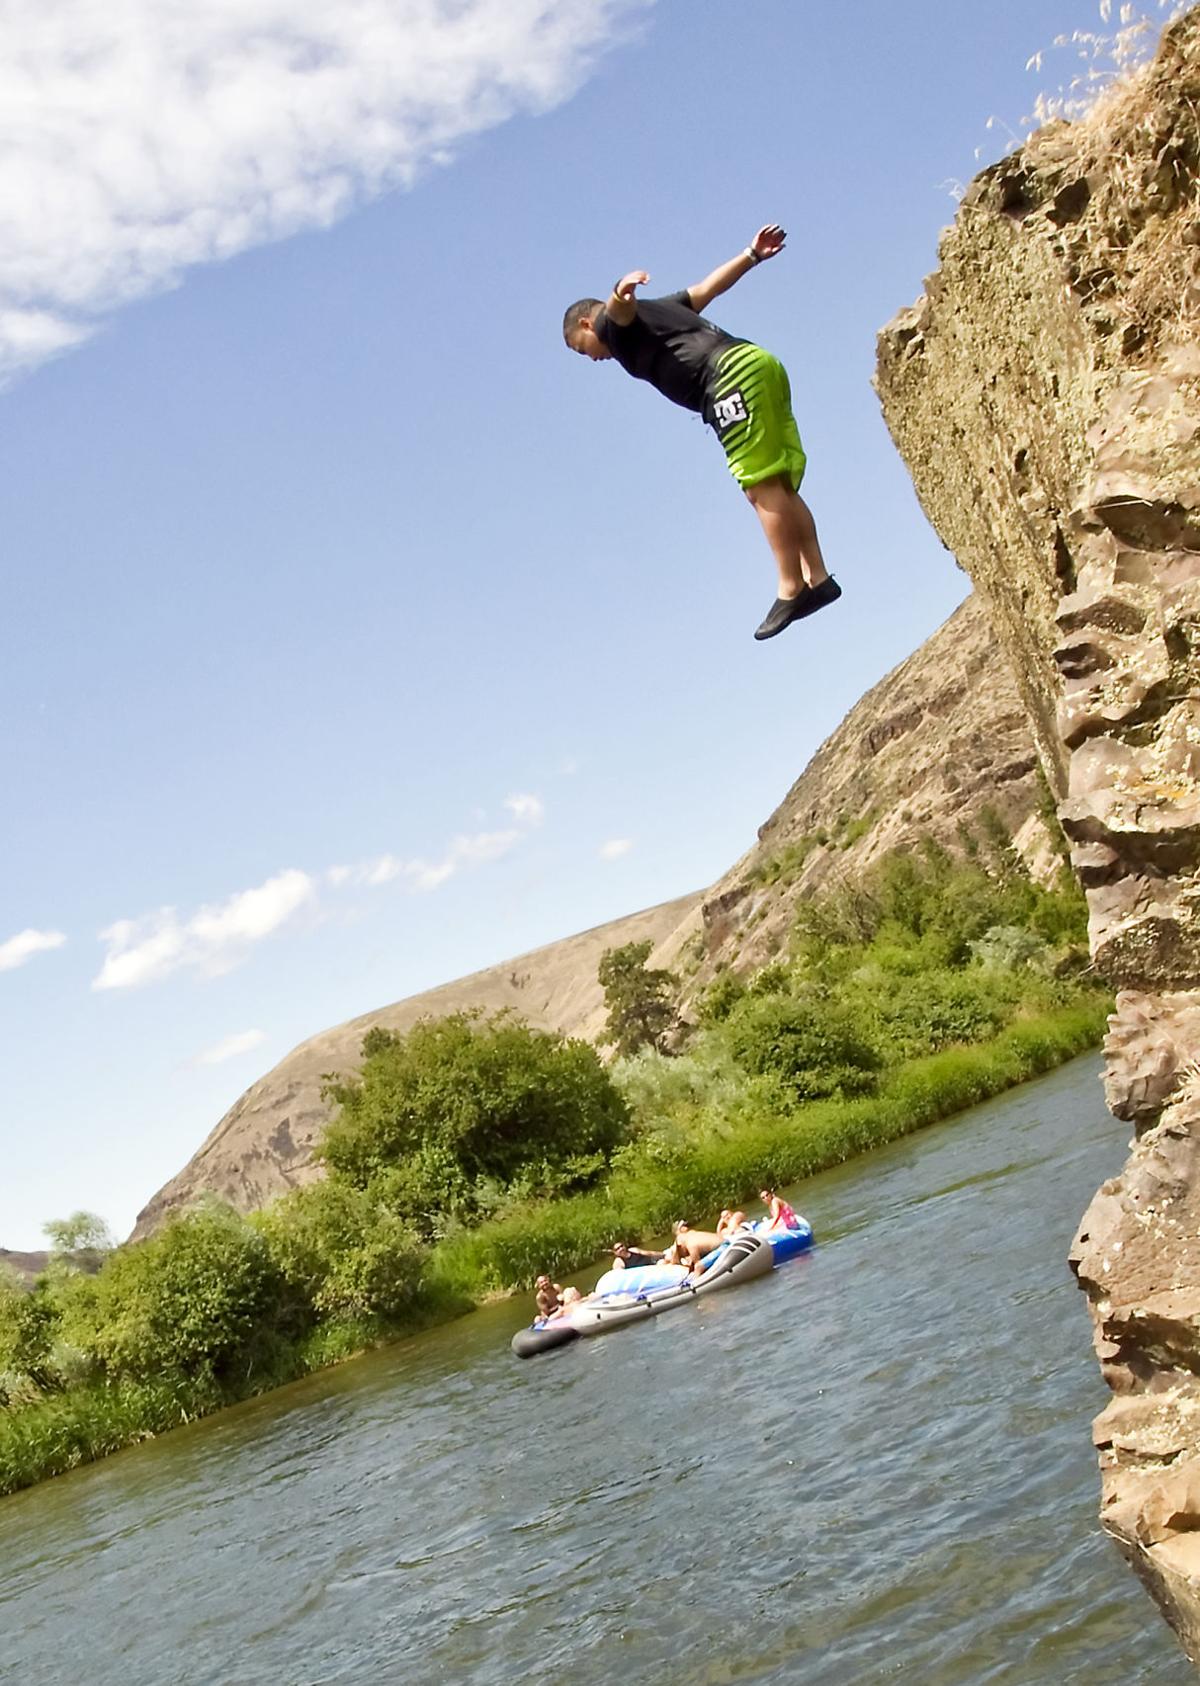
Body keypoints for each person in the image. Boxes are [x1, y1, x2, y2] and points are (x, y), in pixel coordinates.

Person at [562, 224, 840, 642]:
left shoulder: (613, 328)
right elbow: (708, 288)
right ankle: (816, 577)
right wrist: (752, 254)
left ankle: (791, 587)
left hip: (727, 379)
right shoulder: (660, 309)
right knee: (777, 486)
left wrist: (620, 292)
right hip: (756, 361)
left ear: (587, 323)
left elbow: (616, 314)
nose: (594, 357)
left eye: (584, 349)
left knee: (760, 487)